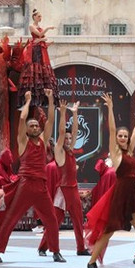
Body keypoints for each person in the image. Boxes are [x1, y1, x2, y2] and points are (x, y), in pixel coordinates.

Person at [86, 94, 135, 268]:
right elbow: (111, 129)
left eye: (125, 136)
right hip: (119, 195)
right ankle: (91, 261)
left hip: (131, 195)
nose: (123, 138)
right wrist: (110, 108)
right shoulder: (116, 153)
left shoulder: (130, 152)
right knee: (109, 230)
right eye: (121, 136)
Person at [0, 90, 65, 263]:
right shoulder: (22, 141)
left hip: (41, 185)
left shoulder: (42, 140)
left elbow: (51, 121)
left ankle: (55, 251)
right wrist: (27, 101)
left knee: (52, 220)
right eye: (31, 126)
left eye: (36, 126)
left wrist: (49, 99)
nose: (34, 127)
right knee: (11, 218)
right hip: (25, 184)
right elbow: (23, 119)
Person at [38, 101, 89, 256]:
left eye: (69, 139)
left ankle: (81, 248)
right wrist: (62, 114)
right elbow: (61, 132)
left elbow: (74, 132)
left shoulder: (71, 150)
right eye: (65, 139)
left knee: (78, 220)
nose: (68, 140)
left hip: (73, 189)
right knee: (55, 221)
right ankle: (42, 247)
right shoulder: (59, 152)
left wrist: (74, 113)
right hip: (63, 191)